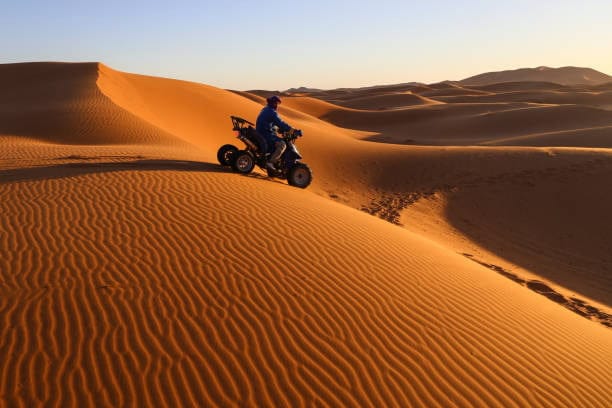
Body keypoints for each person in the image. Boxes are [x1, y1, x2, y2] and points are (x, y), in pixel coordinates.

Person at [256, 95, 292, 171]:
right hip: (266, 134)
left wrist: (277, 128)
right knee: (282, 144)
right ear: (272, 103)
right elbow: (280, 122)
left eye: (277, 104)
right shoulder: (272, 112)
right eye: (276, 103)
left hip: (261, 132)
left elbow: (271, 122)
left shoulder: (265, 109)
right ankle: (271, 162)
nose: (277, 105)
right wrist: (291, 129)